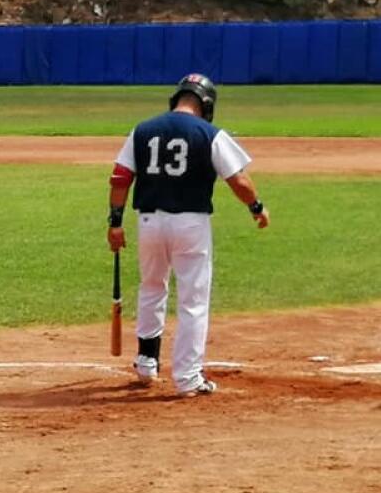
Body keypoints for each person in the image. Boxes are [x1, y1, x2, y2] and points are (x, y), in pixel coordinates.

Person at [107, 73, 269, 396]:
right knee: (193, 299)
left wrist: (115, 222)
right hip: (190, 225)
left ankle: (146, 361)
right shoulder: (209, 133)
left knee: (152, 287)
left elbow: (121, 177)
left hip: (149, 222)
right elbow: (238, 180)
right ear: (206, 105)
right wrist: (256, 207)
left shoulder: (142, 130)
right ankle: (188, 376)